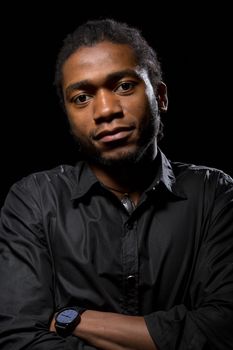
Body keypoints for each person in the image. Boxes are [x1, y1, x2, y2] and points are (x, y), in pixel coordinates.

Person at [0, 18, 232, 350]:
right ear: (67, 115)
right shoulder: (34, 201)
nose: (106, 110)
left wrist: (77, 319)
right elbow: (20, 340)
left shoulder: (216, 194)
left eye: (124, 85)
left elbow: (221, 330)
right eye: (81, 97)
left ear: (161, 96)